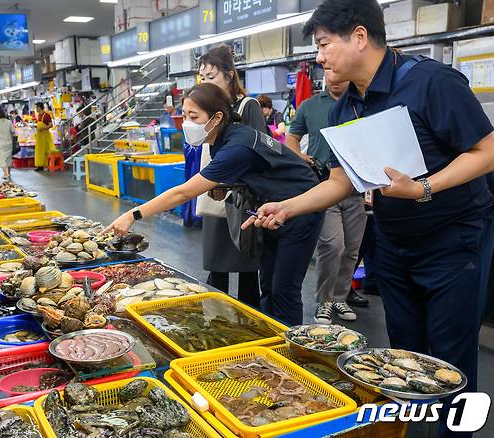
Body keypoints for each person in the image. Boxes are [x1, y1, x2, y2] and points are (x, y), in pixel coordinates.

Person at [243, 1, 494, 434]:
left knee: (450, 361)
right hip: (394, 247)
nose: (319, 57)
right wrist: (288, 207)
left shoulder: (431, 83)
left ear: (359, 37)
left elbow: (486, 151)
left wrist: (424, 188)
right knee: (404, 359)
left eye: (324, 44)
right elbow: (343, 182)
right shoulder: (346, 108)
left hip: (452, 244)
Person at [105, 83, 322, 325]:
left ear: (217, 117)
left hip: (302, 209)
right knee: (269, 286)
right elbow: (260, 170)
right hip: (271, 208)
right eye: (185, 115)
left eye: (193, 116)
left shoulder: (237, 145)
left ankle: (294, 352)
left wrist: (133, 215)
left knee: (284, 290)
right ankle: (274, 338)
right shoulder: (225, 137)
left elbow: (183, 194)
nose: (186, 122)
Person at [286, 73, 369, 323]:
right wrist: (299, 155)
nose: (333, 79)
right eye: (328, 74)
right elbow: (292, 137)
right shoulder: (310, 106)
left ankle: (340, 299)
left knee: (353, 247)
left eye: (339, 74)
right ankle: (324, 301)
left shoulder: (362, 103)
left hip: (355, 187)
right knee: (333, 245)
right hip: (323, 185)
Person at [196, 44, 267, 308]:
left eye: (211, 76)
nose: (206, 82)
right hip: (215, 195)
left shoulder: (248, 106)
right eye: (202, 77)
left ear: (229, 74)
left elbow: (260, 152)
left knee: (248, 267)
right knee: (217, 268)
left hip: (242, 200)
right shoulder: (208, 108)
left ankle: (252, 326)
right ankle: (217, 324)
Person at [0, 106, 15, 180]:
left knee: (1, 159)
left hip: (0, 143)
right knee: (8, 158)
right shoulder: (8, 122)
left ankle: (6, 173)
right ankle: (8, 173)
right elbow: (13, 132)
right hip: (9, 142)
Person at [34, 102, 54, 171]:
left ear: (39, 107)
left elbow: (51, 125)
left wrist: (43, 128)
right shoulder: (39, 115)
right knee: (39, 151)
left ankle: (48, 165)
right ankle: (40, 165)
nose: (36, 109)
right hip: (39, 136)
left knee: (46, 150)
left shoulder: (47, 115)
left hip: (45, 136)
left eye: (36, 107)